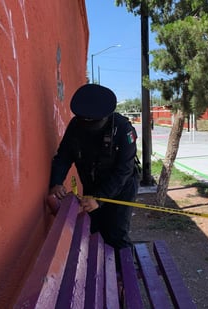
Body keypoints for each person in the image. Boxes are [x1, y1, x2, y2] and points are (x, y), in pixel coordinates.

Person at [47, 84, 139, 250]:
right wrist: (56, 182)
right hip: (92, 184)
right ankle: (100, 274)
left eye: (92, 122)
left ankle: (125, 272)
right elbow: (63, 157)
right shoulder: (76, 126)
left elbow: (124, 170)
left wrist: (100, 198)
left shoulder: (123, 129)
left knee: (116, 233)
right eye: (84, 121)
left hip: (121, 188)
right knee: (94, 229)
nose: (87, 125)